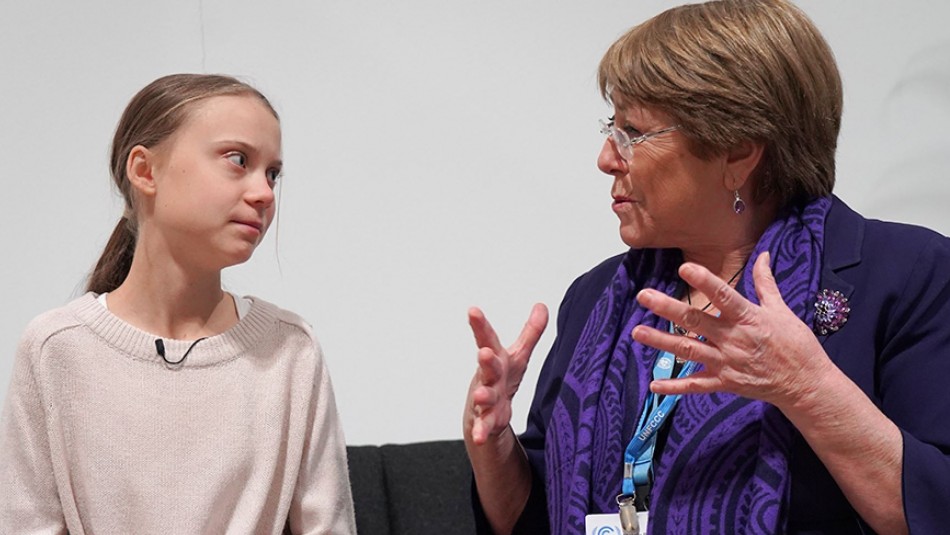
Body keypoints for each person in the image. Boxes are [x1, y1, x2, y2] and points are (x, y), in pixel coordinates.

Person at [462, 1, 950, 534]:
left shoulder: (908, 276)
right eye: (611, 125)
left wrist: (806, 389)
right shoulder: (598, 296)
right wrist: (494, 449)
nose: (607, 157)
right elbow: (540, 522)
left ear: (738, 153)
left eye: (634, 132)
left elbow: (935, 508)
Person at [0, 74, 356, 533]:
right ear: (145, 171)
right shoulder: (56, 350)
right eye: (237, 159)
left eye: (273, 173)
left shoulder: (291, 351)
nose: (265, 193)